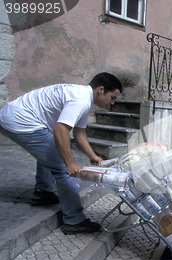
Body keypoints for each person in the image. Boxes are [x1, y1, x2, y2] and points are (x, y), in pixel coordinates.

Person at [0, 72, 122, 234]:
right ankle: (74, 220)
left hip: (12, 115)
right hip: (20, 120)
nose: (112, 103)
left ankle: (43, 193)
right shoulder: (80, 100)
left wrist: (93, 157)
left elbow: (79, 133)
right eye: (112, 97)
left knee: (52, 148)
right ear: (101, 90)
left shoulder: (84, 97)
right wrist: (69, 162)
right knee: (64, 169)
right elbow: (61, 129)